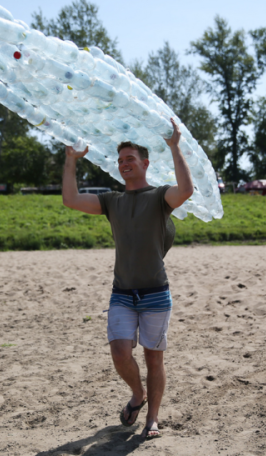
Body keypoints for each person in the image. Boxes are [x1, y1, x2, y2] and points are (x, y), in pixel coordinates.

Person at [61, 118, 194, 440]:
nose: (124, 165)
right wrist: (70, 160)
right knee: (120, 352)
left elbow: (186, 190)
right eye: (120, 161)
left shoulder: (160, 197)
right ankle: (138, 394)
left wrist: (175, 146)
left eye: (130, 159)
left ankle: (152, 419)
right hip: (122, 292)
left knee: (153, 358)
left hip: (156, 293)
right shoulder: (112, 201)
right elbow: (71, 199)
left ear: (145, 163)